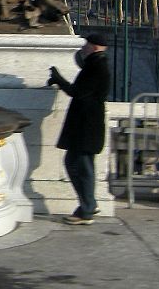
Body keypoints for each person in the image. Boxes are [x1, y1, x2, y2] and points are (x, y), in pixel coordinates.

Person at [47, 32, 110, 225]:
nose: (83, 48)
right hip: (87, 125)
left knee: (78, 165)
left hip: (86, 126)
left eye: (86, 45)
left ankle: (87, 208)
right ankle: (89, 205)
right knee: (81, 165)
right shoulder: (96, 64)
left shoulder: (96, 66)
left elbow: (78, 92)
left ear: (94, 47)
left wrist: (59, 79)